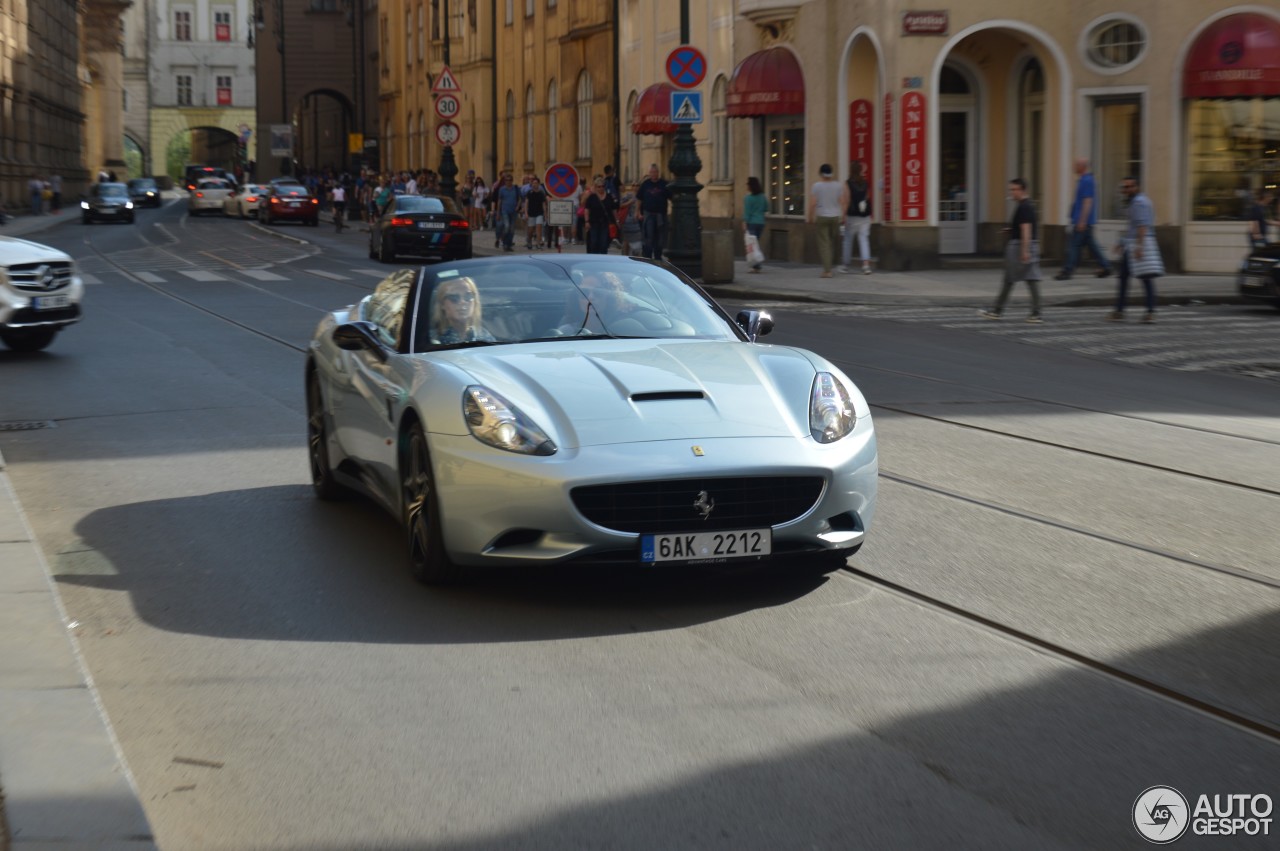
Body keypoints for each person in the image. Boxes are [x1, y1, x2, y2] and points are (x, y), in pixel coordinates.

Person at [980, 177, 1043, 323]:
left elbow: (1026, 229)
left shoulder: (1025, 207)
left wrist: (1025, 250)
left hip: (1021, 245)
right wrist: (1011, 229)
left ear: (1023, 190)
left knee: (1026, 279)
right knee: (1019, 279)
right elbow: (1022, 227)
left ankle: (1034, 313)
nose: (1012, 192)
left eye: (1014, 189)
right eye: (1011, 189)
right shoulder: (1025, 205)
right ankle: (999, 311)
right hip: (1022, 244)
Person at [1110, 175, 1163, 323]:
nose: (1125, 190)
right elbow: (1133, 227)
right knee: (1125, 278)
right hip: (1132, 243)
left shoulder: (1139, 203)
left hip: (1138, 244)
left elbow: (1142, 226)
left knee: (1145, 277)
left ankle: (1150, 312)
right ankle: (1120, 311)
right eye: (1124, 187)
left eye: (1128, 187)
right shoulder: (1136, 202)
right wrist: (1122, 242)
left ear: (1136, 187)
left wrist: (1140, 247)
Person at [1056, 158, 1113, 281]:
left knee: (1073, 246)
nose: (1074, 166)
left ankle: (1067, 270)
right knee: (1092, 246)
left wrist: (1082, 221)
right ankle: (1106, 266)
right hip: (1083, 221)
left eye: (1076, 165)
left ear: (1082, 166)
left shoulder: (1087, 180)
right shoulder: (1083, 180)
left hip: (1082, 221)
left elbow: (1087, 202)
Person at [806, 164, 845, 278]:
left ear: (821, 173)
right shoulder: (838, 186)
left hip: (822, 216)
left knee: (824, 244)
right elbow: (842, 201)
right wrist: (843, 215)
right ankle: (830, 265)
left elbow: (813, 203)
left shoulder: (817, 186)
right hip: (835, 217)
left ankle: (827, 271)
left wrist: (810, 216)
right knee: (831, 242)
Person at [430, 277, 495, 344]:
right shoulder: (432, 339)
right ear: (442, 304)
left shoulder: (484, 336)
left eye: (468, 296)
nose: (463, 302)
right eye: (454, 297)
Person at [841, 161, 872, 275]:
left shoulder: (847, 183)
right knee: (864, 239)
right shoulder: (865, 183)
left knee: (848, 241)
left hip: (852, 215)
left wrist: (843, 216)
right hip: (864, 216)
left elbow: (846, 201)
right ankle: (866, 266)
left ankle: (845, 266)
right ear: (860, 170)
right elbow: (867, 197)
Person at [636, 163, 671, 260]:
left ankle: (658, 257)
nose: (653, 174)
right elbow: (639, 199)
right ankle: (647, 258)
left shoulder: (664, 184)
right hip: (649, 215)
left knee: (660, 238)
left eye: (655, 172)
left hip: (661, 215)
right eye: (651, 172)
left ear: (658, 173)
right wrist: (638, 212)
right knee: (649, 237)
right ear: (649, 173)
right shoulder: (645, 184)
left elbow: (671, 197)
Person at [584, 177, 615, 254]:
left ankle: (603, 259)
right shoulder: (592, 197)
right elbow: (587, 210)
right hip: (594, 223)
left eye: (603, 186)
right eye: (599, 186)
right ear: (595, 187)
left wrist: (616, 221)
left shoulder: (609, 196)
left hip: (605, 223)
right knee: (594, 242)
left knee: (604, 243)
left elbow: (613, 210)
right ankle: (594, 258)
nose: (601, 188)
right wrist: (587, 221)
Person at [743, 176, 767, 273]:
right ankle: (756, 264)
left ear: (750, 186)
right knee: (756, 244)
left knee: (752, 245)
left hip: (751, 223)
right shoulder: (762, 197)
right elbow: (766, 208)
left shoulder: (748, 198)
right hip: (761, 222)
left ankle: (756, 265)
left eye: (748, 184)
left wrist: (744, 223)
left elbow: (747, 212)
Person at [495, 173, 521, 251]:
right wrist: (498, 212)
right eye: (506, 180)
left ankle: (508, 245)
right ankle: (503, 240)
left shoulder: (515, 188)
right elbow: (499, 201)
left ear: (512, 181)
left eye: (510, 180)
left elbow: (520, 198)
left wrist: (517, 206)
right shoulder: (502, 189)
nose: (508, 182)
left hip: (513, 211)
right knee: (506, 226)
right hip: (505, 211)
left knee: (512, 229)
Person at [619, 183, 643, 256]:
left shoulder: (642, 195)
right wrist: (630, 202)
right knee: (627, 239)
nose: (635, 187)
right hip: (628, 221)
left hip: (638, 221)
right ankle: (625, 255)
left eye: (637, 185)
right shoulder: (628, 195)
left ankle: (636, 255)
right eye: (633, 185)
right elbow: (620, 205)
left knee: (638, 239)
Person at [524, 177, 547, 249]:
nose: (534, 185)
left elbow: (544, 204)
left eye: (536, 183)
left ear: (538, 184)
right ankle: (529, 241)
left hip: (539, 213)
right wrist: (526, 213)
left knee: (539, 228)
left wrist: (545, 214)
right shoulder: (529, 193)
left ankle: (538, 243)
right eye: (533, 183)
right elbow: (526, 204)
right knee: (530, 230)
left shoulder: (541, 193)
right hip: (531, 213)